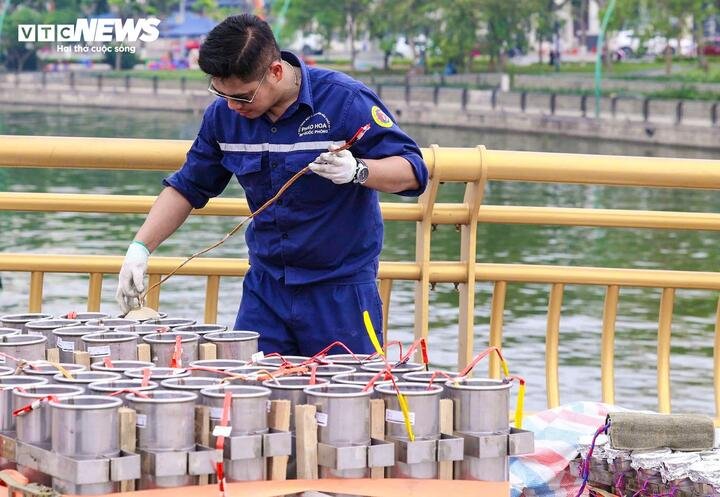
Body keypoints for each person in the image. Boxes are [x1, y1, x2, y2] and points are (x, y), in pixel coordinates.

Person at [115, 14, 428, 356]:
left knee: (346, 388)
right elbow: (188, 186)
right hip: (266, 290)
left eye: (243, 97)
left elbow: (413, 171)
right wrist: (140, 248)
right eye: (222, 94)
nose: (233, 106)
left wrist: (359, 170)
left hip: (340, 291)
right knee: (253, 383)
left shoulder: (345, 102)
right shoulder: (224, 117)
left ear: (276, 72)